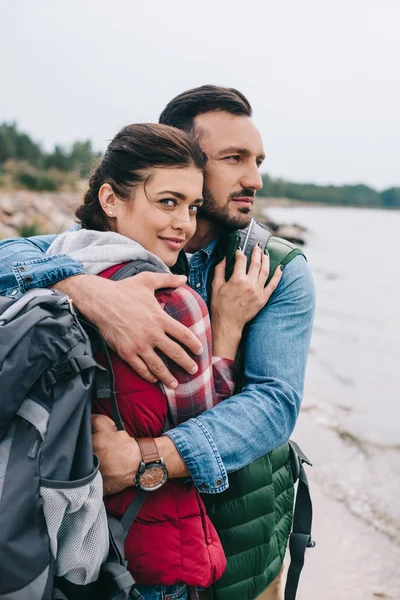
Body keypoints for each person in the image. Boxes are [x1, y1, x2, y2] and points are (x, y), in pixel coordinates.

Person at [0, 85, 315, 600]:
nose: (254, 179)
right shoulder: (101, 250)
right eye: (233, 158)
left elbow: (274, 405)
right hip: (122, 546)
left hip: (243, 532)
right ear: (185, 155)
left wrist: (146, 459)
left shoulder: (275, 269)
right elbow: (7, 256)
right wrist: (85, 289)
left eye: (257, 160)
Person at [48, 122, 281, 600]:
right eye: (167, 202)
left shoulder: (49, 269)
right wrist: (228, 329)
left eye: (192, 207)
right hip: (147, 549)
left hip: (54, 530)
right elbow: (210, 416)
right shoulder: (172, 301)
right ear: (111, 199)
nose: (184, 224)